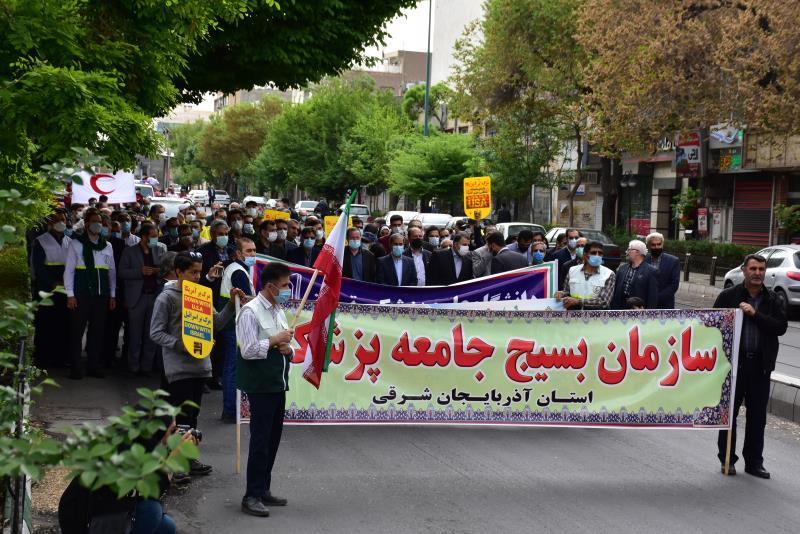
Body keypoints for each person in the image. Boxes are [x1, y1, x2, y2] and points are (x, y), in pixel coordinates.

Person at [150, 251, 244, 477]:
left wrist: (231, 304)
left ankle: (188, 459)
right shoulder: (166, 298)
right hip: (178, 368)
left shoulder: (201, 295)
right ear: (178, 272)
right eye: (192, 272)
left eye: (199, 273)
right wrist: (180, 344)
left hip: (200, 366)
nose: (197, 277)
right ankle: (174, 464)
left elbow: (217, 323)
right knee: (179, 418)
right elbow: (156, 332)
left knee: (192, 417)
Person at [714, 254, 787, 479]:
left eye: (761, 269)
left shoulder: (773, 299)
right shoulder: (729, 295)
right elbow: (713, 324)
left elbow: (780, 327)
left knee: (757, 418)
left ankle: (754, 462)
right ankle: (727, 459)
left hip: (760, 366)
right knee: (729, 415)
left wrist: (755, 315)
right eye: (753, 269)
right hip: (733, 367)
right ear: (744, 270)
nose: (757, 273)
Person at [58, 413, 194, 534]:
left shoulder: (138, 441)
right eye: (172, 431)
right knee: (151, 511)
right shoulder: (124, 454)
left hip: (108, 511)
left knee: (166, 527)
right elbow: (151, 494)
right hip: (87, 522)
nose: (175, 435)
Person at [236, 262, 294, 517]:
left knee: (272, 440)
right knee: (260, 441)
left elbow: (287, 344)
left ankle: (263, 489)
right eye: (284, 285)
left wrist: (288, 349)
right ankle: (251, 495)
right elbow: (248, 350)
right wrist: (274, 340)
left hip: (277, 383)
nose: (288, 290)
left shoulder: (278, 310)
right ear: (270, 287)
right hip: (260, 385)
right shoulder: (250, 311)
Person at [64, 209, 116, 379]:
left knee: (97, 332)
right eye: (94, 221)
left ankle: (93, 366)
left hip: (101, 296)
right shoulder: (76, 244)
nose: (98, 225)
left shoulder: (107, 246)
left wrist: (112, 295)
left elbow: (111, 272)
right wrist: (70, 295)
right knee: (76, 332)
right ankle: (76, 367)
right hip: (81, 295)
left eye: (100, 222)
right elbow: (69, 271)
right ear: (86, 224)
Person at [218, 238, 257, 423]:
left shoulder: (235, 268)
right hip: (234, 324)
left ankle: (230, 409)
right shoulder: (239, 271)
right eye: (249, 251)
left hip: (230, 323)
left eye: (254, 250)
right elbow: (247, 300)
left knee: (230, 367)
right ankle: (231, 410)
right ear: (239, 254)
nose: (253, 254)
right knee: (233, 368)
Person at [119, 222, 166, 376]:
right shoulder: (129, 251)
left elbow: (167, 270)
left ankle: (147, 367)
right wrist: (140, 271)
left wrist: (157, 270)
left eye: (157, 236)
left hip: (155, 296)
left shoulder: (160, 249)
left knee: (151, 334)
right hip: (137, 298)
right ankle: (133, 366)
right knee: (135, 335)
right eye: (152, 236)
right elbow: (122, 272)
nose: (155, 239)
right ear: (144, 237)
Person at [31, 211, 71, 367]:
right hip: (46, 288)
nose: (61, 222)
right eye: (57, 220)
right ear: (50, 222)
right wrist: (52, 283)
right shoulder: (41, 241)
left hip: (65, 287)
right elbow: (38, 267)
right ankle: (42, 358)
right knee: (45, 323)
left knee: (63, 323)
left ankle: (60, 357)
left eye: (63, 219)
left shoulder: (69, 241)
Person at [556, 240, 616, 310]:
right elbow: (567, 291)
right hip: (573, 315)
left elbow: (604, 302)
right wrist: (561, 294)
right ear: (585, 255)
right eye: (593, 253)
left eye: (600, 253)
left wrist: (577, 301)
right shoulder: (572, 270)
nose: (597, 255)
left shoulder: (609, 274)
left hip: (596, 316)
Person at [611, 240, 658, 309]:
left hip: (638, 311)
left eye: (628, 249)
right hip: (619, 309)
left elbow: (652, 297)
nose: (626, 252)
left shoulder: (651, 271)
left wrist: (648, 313)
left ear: (637, 252)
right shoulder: (622, 268)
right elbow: (615, 291)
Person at [644, 232, 681, 309]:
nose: (656, 247)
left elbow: (674, 285)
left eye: (659, 244)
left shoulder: (673, 261)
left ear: (662, 244)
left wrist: (655, 299)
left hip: (665, 305)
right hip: (645, 304)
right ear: (648, 246)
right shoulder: (643, 260)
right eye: (653, 245)